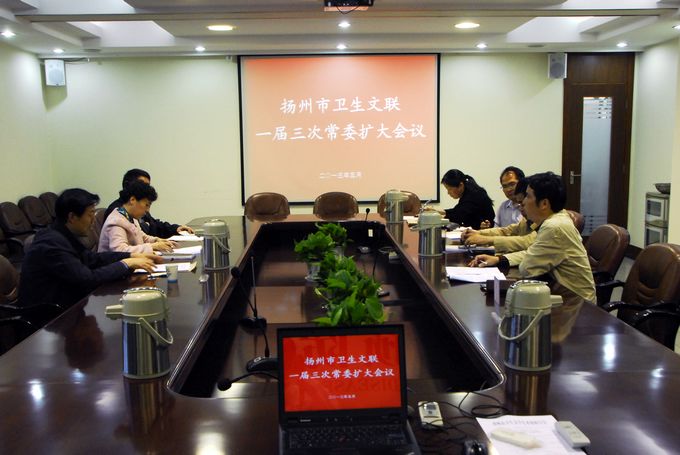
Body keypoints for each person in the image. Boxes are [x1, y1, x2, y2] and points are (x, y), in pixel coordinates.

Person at [468, 172, 595, 342]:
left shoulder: (554, 227)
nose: (522, 203)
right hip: (560, 293)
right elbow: (534, 252)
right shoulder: (554, 220)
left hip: (574, 306)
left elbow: (527, 268)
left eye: (527, 196)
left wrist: (503, 258)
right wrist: (500, 259)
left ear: (544, 203)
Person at [19, 189, 161, 308]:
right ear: (72, 217)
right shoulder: (51, 244)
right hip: (51, 318)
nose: (94, 220)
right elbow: (87, 278)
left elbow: (92, 258)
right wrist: (125, 264)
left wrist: (130, 257)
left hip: (70, 305)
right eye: (90, 214)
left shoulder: (63, 234)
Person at [105, 168, 194, 238]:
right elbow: (122, 247)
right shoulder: (117, 212)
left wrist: (176, 229)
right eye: (143, 185)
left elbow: (154, 225)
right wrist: (152, 246)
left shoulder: (140, 206)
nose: (146, 189)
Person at [462, 178, 536, 254]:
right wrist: (477, 233)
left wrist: (486, 239)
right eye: (505, 186)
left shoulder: (543, 223)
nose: (509, 189)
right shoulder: (526, 220)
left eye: (512, 184)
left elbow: (526, 241)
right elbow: (506, 231)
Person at [99, 181, 176, 254]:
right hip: (115, 263)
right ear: (132, 200)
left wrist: (157, 240)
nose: (147, 210)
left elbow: (142, 237)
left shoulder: (130, 217)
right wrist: (152, 246)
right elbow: (120, 251)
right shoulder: (116, 222)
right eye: (146, 205)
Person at [425, 169, 495, 230]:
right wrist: (436, 211)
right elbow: (458, 210)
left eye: (450, 189)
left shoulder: (473, 194)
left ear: (460, 185)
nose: (448, 193)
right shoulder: (468, 189)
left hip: (485, 231)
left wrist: (437, 212)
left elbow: (458, 214)